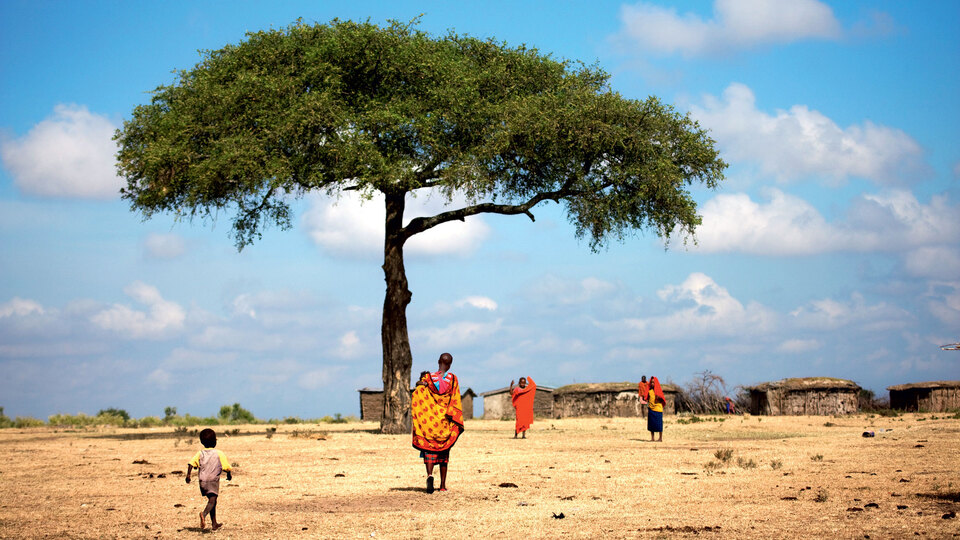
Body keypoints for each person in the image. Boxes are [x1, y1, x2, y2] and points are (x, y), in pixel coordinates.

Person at [411, 352, 464, 493]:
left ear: (438, 361)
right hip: (444, 422)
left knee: (429, 450)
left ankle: (429, 475)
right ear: (450, 364)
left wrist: (422, 384)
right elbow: (455, 398)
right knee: (444, 453)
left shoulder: (428, 377)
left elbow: (418, 388)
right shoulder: (452, 379)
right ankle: (442, 485)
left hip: (429, 422)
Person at [186, 428, 232, 530]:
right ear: (215, 441)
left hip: (202, 480)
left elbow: (191, 463)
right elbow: (226, 467)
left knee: (212, 501)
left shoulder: (200, 453)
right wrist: (229, 474)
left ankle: (214, 523)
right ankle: (204, 514)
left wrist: (188, 475)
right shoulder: (218, 453)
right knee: (213, 500)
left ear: (202, 442)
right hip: (212, 480)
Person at [647, 376, 666, 442]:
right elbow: (647, 398)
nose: (652, 384)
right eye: (651, 382)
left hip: (658, 409)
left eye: (653, 382)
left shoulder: (659, 391)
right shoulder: (649, 391)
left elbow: (662, 399)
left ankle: (660, 438)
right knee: (651, 424)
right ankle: (652, 438)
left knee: (659, 424)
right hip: (651, 409)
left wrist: (659, 398)